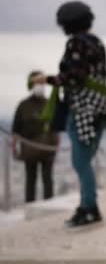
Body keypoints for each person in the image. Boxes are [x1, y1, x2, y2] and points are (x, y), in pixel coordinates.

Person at [33, 1, 106, 228]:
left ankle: (89, 208)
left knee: (80, 162)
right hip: (99, 107)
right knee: (84, 160)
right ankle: (88, 205)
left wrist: (46, 79)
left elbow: (74, 77)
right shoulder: (97, 43)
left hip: (81, 109)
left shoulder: (76, 43)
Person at [11, 71, 59, 202]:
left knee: (47, 178)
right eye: (38, 83)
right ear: (32, 85)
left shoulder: (49, 103)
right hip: (29, 150)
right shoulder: (23, 105)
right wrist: (14, 146)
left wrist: (55, 145)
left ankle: (50, 205)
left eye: (42, 83)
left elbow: (56, 126)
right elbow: (16, 128)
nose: (40, 86)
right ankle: (29, 206)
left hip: (47, 148)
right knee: (30, 180)